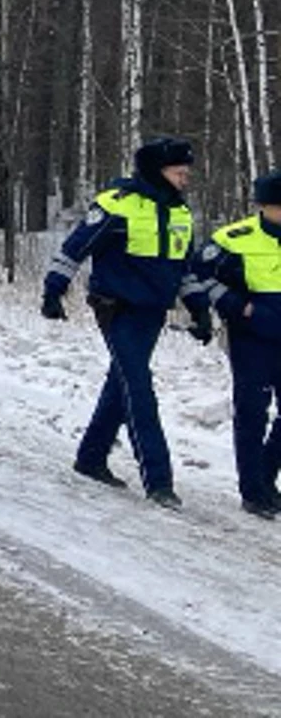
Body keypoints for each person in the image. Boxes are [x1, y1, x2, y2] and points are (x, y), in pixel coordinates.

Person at [42, 135, 213, 509]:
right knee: (138, 386)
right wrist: (53, 290)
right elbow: (75, 248)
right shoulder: (117, 205)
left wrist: (200, 309)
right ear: (157, 170)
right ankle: (158, 480)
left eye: (187, 172)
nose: (185, 178)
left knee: (121, 383)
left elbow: (183, 269)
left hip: (152, 311)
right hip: (115, 306)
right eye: (178, 172)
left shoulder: (181, 213)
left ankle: (90, 457)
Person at [194, 170, 281, 519]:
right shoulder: (234, 239)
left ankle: (264, 477)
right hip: (252, 337)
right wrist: (236, 306)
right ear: (264, 206)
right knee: (252, 411)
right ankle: (253, 492)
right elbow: (197, 273)